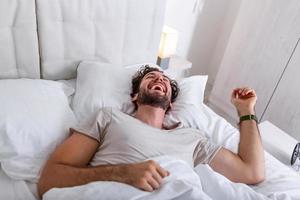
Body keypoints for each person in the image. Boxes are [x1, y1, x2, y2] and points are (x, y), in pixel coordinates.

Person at [37, 66, 265, 197]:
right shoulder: (109, 117)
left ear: (171, 105)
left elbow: (252, 172)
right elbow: (49, 179)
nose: (159, 78)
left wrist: (246, 112)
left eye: (164, 80)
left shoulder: (192, 138)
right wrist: (122, 173)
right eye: (151, 77)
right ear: (135, 96)